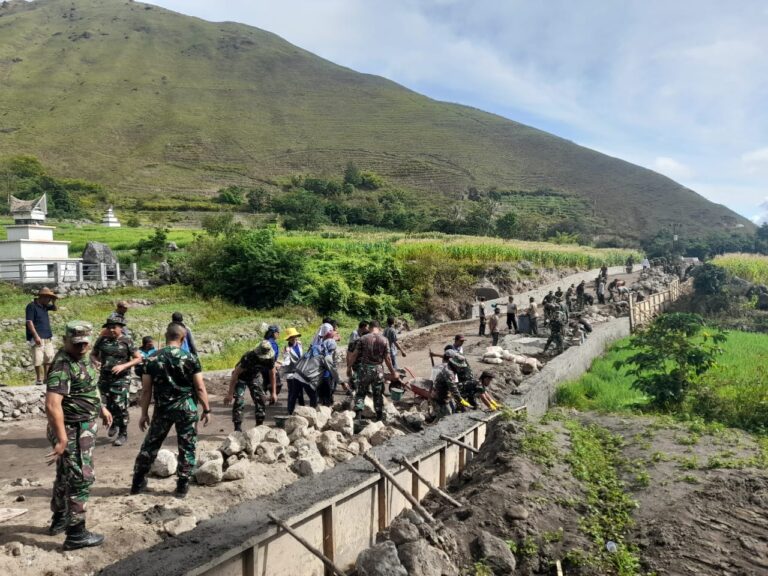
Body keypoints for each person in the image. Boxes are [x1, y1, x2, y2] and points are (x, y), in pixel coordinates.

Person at [45, 321, 112, 550]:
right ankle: (76, 534)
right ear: (65, 340)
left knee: (65, 474)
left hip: (84, 425)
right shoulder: (63, 365)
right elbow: (53, 405)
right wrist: (63, 439)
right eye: (76, 344)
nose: (81, 347)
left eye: (84, 342)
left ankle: (59, 519)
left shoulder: (85, 358)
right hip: (73, 429)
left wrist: (100, 407)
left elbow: (90, 386)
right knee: (82, 478)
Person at [131, 323, 211, 498]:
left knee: (151, 445)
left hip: (163, 409)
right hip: (186, 408)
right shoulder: (190, 358)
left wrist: (144, 413)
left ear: (167, 337)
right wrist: (206, 409)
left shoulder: (152, 358)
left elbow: (146, 390)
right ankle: (182, 486)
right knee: (187, 446)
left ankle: (137, 482)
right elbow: (199, 388)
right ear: (183, 339)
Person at [90, 317, 142, 447]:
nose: (111, 330)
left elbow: (138, 358)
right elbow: (93, 354)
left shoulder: (127, 341)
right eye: (109, 327)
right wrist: (95, 361)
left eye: (114, 327)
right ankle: (113, 422)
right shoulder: (102, 340)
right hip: (104, 378)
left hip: (121, 379)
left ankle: (123, 433)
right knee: (103, 404)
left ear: (121, 327)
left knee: (120, 406)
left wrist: (123, 366)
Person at [347, 320, 397, 421]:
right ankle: (379, 417)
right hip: (378, 370)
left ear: (370, 328)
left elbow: (354, 354)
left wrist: (349, 368)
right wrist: (393, 372)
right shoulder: (384, 340)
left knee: (360, 393)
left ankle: (358, 416)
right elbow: (387, 359)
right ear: (378, 328)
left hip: (364, 369)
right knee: (377, 394)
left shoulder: (363, 338)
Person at [225, 341, 277, 431]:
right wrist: (230, 393)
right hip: (241, 377)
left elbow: (272, 374)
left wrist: (274, 393)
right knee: (239, 400)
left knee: (261, 399)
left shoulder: (270, 358)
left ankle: (259, 426)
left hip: (254, 377)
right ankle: (237, 428)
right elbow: (235, 374)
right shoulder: (249, 357)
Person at [26, 287, 58, 386]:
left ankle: (46, 378)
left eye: (49, 298)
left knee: (48, 357)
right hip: (38, 336)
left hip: (47, 336)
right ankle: (39, 379)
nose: (49, 300)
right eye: (48, 298)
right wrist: (35, 336)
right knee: (38, 359)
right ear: (42, 297)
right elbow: (29, 322)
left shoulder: (45, 306)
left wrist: (53, 301)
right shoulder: (31, 306)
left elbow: (55, 308)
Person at [432, 350, 470, 418]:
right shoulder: (449, 372)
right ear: (456, 365)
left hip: (446, 392)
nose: (461, 369)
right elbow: (453, 388)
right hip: (440, 395)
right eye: (460, 367)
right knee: (447, 417)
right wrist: (461, 400)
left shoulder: (451, 368)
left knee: (453, 408)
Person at [282, 328, 305, 414]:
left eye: (294, 336)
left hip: (300, 373)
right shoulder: (287, 349)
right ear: (288, 338)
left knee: (300, 393)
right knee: (292, 393)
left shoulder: (299, 344)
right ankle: (290, 411)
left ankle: (303, 411)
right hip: (291, 374)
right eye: (291, 337)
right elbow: (287, 361)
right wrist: (282, 364)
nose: (293, 338)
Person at [346, 321, 369, 393]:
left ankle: (355, 389)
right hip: (356, 359)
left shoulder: (364, 338)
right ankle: (351, 389)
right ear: (363, 327)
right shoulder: (354, 334)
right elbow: (351, 348)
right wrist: (349, 362)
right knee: (355, 375)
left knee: (357, 375)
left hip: (359, 360)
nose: (368, 328)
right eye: (367, 327)